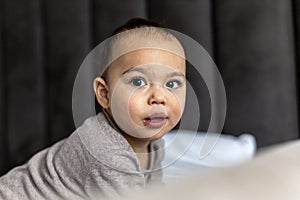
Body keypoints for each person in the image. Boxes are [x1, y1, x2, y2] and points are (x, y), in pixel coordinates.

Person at [0, 18, 186, 200]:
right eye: (138, 81)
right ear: (105, 95)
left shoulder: (154, 146)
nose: (159, 98)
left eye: (172, 83)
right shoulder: (106, 153)